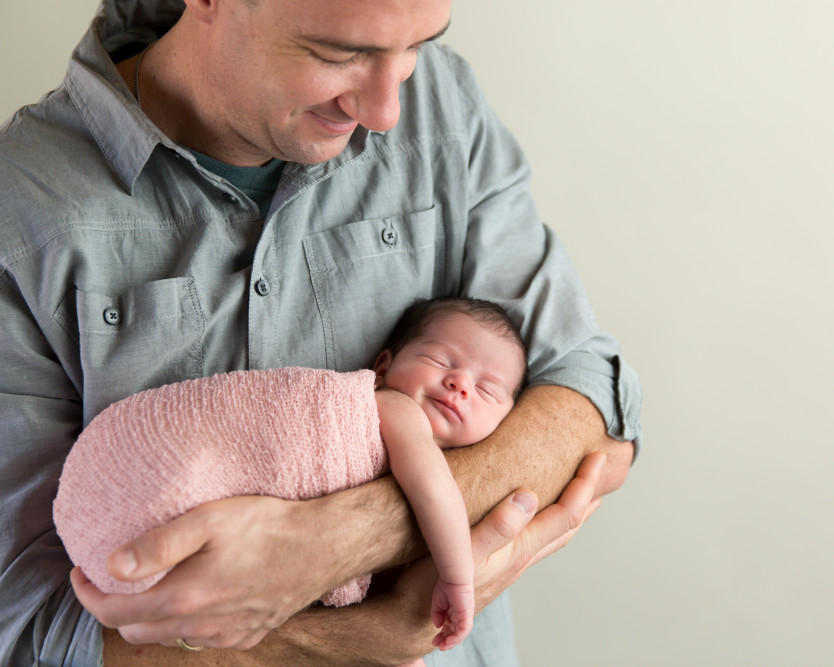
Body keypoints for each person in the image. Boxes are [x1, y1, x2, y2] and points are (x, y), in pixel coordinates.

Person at [0, 0, 642, 664]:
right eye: (340, 54)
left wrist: (340, 537)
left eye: (419, 44)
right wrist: (346, 639)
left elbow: (592, 401)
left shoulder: (442, 106)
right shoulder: (20, 216)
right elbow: (23, 631)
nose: (388, 112)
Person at [55, 297, 529, 658]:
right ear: (384, 366)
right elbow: (433, 491)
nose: (460, 383)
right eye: (440, 360)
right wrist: (458, 579)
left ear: (509, 419)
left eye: (487, 389)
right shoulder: (393, 408)